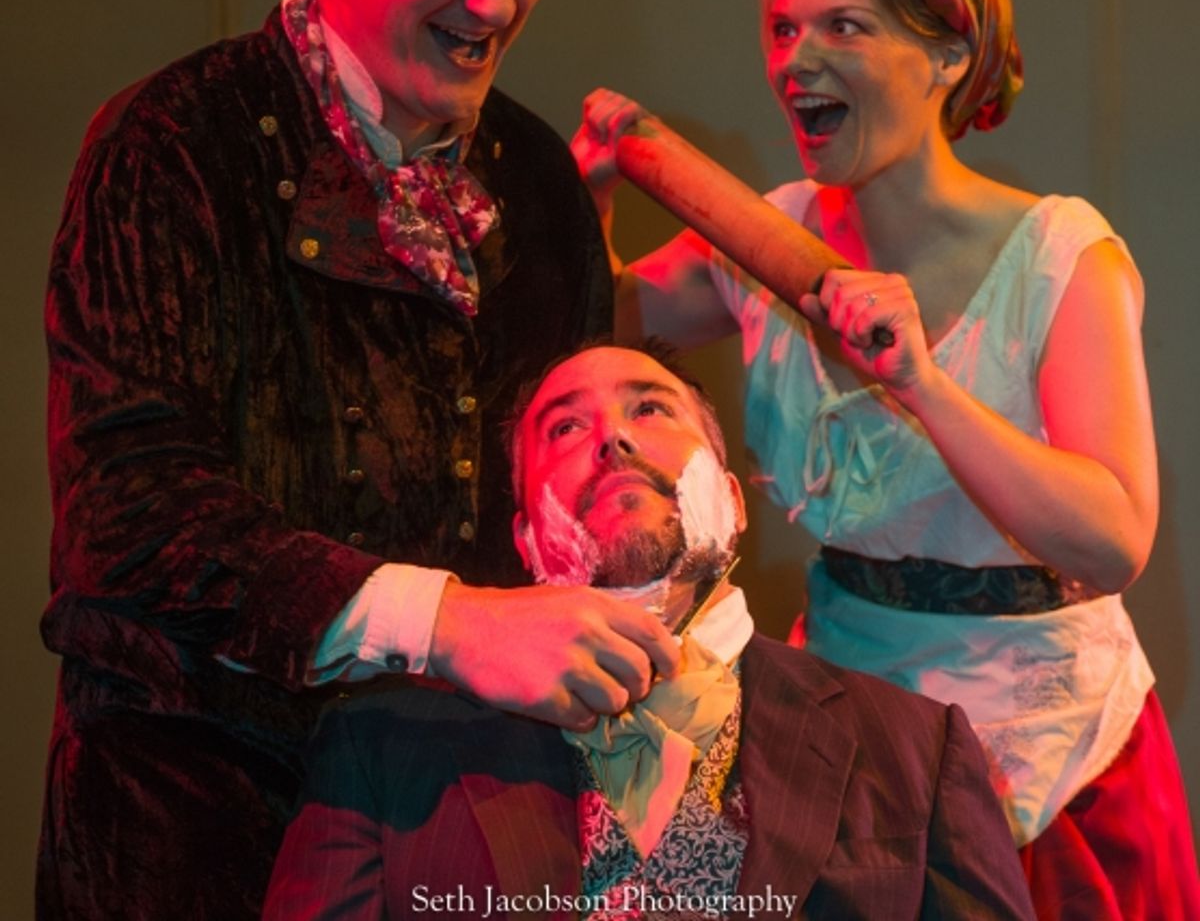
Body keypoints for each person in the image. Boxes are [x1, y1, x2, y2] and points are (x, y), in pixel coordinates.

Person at [38, 0, 678, 921]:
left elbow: (567, 499)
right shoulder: (173, 148)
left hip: (461, 846)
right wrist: (446, 621)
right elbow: (127, 514)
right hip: (199, 848)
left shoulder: (536, 176)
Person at [573, 0, 1200, 918]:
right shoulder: (765, 235)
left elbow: (1117, 534)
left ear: (947, 54)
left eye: (844, 26)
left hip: (1050, 744)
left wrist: (923, 382)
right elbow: (601, 326)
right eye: (783, 28)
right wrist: (590, 195)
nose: (795, 58)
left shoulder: (1060, 257)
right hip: (849, 721)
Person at [264, 342, 1036, 920]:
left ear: (734, 501)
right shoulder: (380, 747)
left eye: (650, 409)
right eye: (565, 428)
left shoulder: (916, 750)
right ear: (528, 540)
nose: (614, 439)